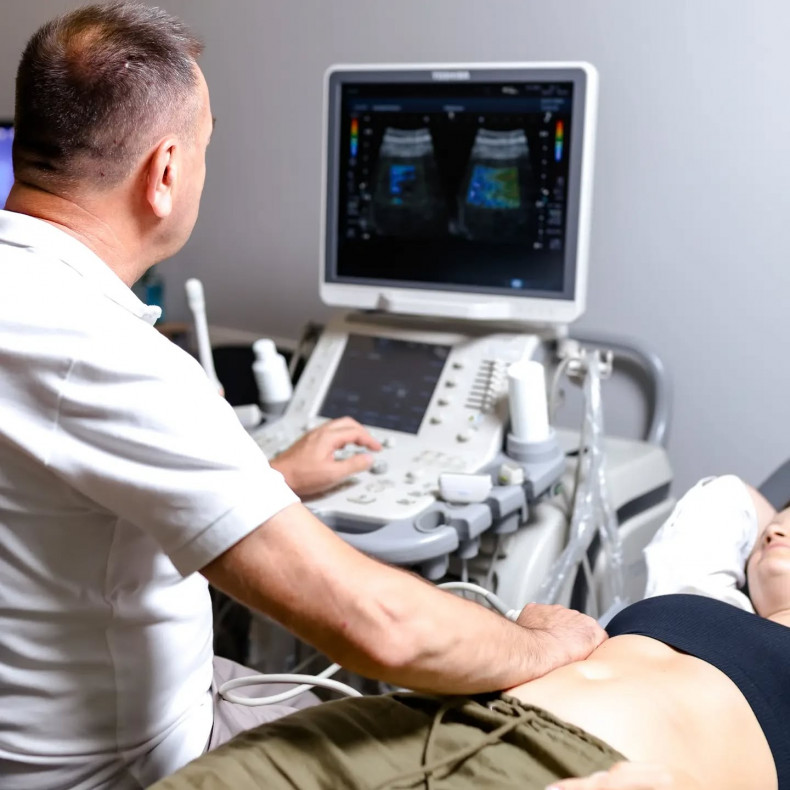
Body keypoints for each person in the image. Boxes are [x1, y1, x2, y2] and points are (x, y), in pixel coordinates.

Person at [0, 4, 605, 789]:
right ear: (166, 173)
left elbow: (61, 490)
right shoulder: (113, 355)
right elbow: (380, 628)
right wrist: (546, 644)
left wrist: (270, 480)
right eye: (207, 145)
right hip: (125, 767)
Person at [147, 476, 788, 790]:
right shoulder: (701, 597)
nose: (777, 529)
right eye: (778, 522)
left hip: (569, 774)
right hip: (416, 726)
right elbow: (728, 497)